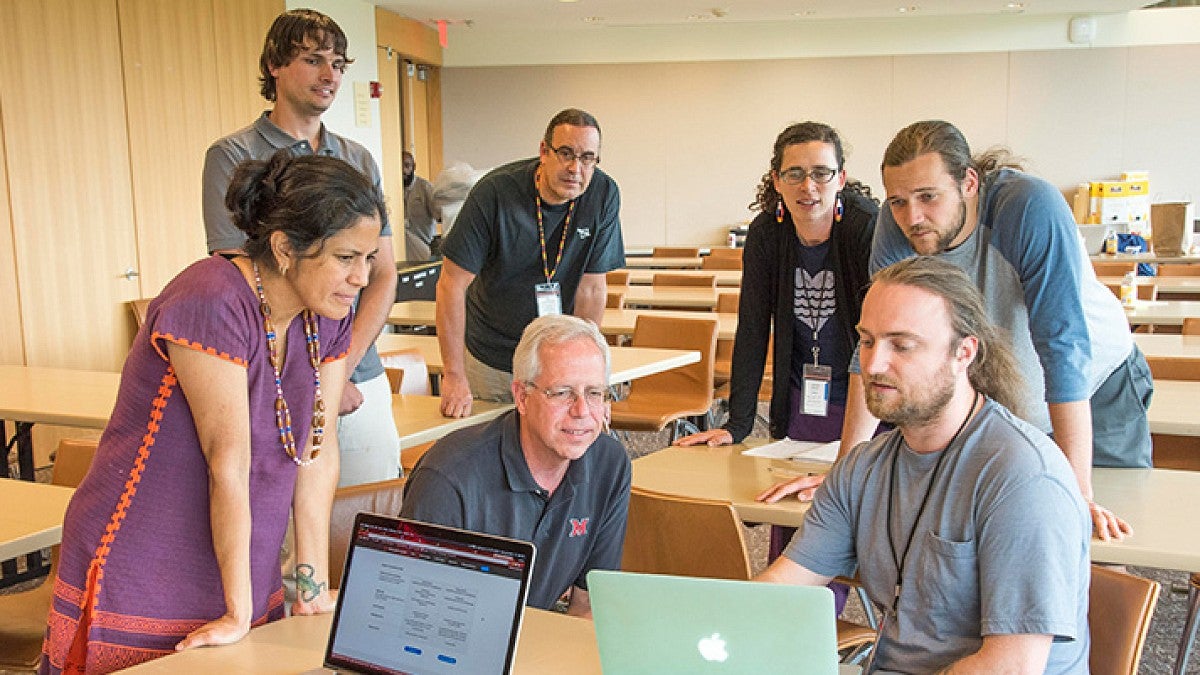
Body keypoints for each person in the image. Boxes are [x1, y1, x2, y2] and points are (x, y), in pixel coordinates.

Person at [41, 152, 386, 673]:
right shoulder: (211, 297)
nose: (361, 278)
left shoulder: (327, 311)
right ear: (285, 248)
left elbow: (317, 451)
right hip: (149, 552)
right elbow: (229, 461)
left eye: (368, 259)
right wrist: (237, 609)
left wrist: (310, 585)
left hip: (242, 554)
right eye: (345, 258)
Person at [764, 120, 1151, 542]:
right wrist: (845, 474)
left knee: (1101, 538)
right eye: (897, 201)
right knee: (1009, 534)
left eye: (929, 197)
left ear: (969, 182)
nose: (913, 216)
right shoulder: (899, 225)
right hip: (1013, 394)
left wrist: (1078, 491)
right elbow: (876, 342)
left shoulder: (1027, 207)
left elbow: (1063, 345)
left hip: (1097, 387)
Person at [758, 256, 1091, 673]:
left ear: (964, 353)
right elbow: (783, 588)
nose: (873, 365)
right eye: (867, 341)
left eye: (902, 345)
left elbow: (1011, 666)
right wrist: (713, 630)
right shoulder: (862, 468)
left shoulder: (1023, 478)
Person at [201, 9, 399, 486]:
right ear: (274, 65)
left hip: (357, 374)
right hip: (273, 378)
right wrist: (311, 379)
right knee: (283, 535)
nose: (329, 75)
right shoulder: (232, 156)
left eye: (337, 64)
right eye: (313, 60)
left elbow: (383, 274)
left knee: (371, 522)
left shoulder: (357, 158)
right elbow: (243, 285)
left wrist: (339, 369)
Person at [400, 315, 631, 618]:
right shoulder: (449, 477)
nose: (582, 411)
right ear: (522, 397)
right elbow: (415, 612)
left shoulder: (609, 465)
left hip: (539, 645)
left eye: (594, 393)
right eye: (562, 393)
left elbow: (587, 605)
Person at [676, 122, 878, 448]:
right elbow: (753, 328)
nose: (808, 186)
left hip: (864, 397)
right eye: (794, 173)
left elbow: (880, 329)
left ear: (840, 178)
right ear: (777, 180)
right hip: (803, 395)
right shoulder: (767, 233)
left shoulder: (865, 227)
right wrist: (738, 423)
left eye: (821, 173)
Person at [435, 108, 625, 416]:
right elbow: (451, 285)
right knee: (490, 453)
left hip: (555, 360)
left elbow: (591, 290)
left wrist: (590, 376)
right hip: (493, 354)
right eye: (565, 153)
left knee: (555, 451)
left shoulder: (602, 194)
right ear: (543, 152)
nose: (576, 168)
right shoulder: (494, 193)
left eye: (588, 157)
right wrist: (454, 374)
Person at [403, 150, 441, 261]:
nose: (403, 170)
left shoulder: (425, 188)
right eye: (401, 166)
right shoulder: (394, 187)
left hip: (425, 247)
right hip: (403, 249)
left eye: (407, 166)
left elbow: (439, 216)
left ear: (414, 167)